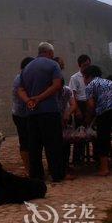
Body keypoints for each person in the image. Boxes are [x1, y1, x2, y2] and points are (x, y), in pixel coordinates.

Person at [18, 42, 67, 182]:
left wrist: (28, 100)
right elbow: (57, 84)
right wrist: (40, 98)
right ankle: (57, 174)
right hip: (49, 110)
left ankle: (36, 176)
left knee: (34, 147)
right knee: (53, 145)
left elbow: (20, 89)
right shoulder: (53, 65)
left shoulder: (27, 68)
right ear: (50, 53)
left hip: (32, 112)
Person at [83, 65, 112, 176]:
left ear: (88, 76)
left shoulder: (90, 86)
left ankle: (104, 168)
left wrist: (89, 119)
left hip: (104, 112)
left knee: (103, 139)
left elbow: (91, 106)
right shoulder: (110, 82)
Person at [12, 57, 34, 174]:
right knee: (25, 141)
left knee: (31, 141)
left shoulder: (25, 78)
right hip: (21, 115)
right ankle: (28, 168)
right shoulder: (20, 80)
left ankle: (32, 167)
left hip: (26, 114)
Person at [69, 54, 92, 163]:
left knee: (93, 131)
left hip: (90, 105)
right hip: (79, 105)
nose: (87, 67)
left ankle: (97, 157)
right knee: (79, 133)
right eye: (84, 65)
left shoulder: (93, 76)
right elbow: (72, 94)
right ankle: (78, 159)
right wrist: (77, 110)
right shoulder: (75, 78)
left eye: (88, 64)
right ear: (80, 65)